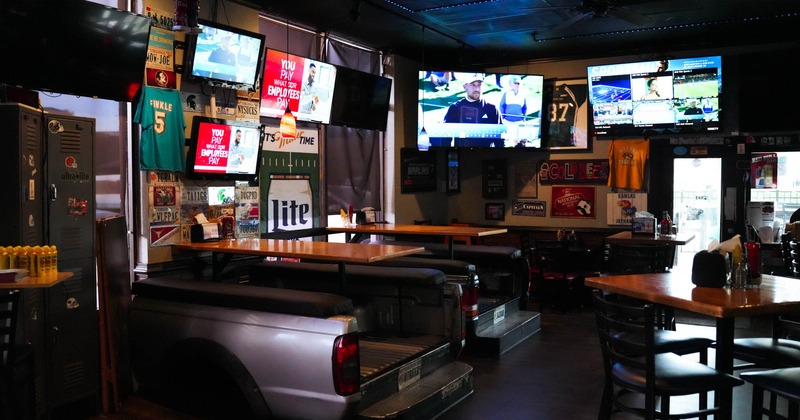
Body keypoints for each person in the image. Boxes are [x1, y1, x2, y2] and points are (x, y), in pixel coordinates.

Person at [441, 73, 503, 147]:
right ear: (465, 86)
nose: (477, 89)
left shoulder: (492, 109)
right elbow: (446, 139)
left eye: (479, 85)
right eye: (473, 85)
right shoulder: (455, 108)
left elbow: (500, 140)